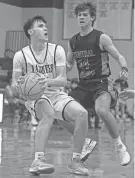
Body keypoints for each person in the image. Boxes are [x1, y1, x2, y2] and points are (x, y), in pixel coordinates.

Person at [11, 15, 96, 176]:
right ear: (30, 31)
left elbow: (62, 80)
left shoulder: (57, 50)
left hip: (56, 93)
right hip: (35, 97)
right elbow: (15, 82)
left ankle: (76, 162)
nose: (45, 28)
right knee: (49, 113)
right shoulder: (20, 56)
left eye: (46, 26)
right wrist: (20, 86)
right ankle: (38, 160)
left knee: (82, 114)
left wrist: (47, 81)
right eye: (41, 26)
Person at [67, 2, 131, 166]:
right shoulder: (73, 41)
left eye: (85, 14)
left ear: (92, 17)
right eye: (79, 14)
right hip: (83, 85)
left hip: (101, 83)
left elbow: (119, 56)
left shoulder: (101, 37)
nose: (81, 17)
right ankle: (86, 142)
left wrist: (124, 68)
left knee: (101, 109)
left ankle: (119, 146)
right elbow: (68, 65)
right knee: (61, 110)